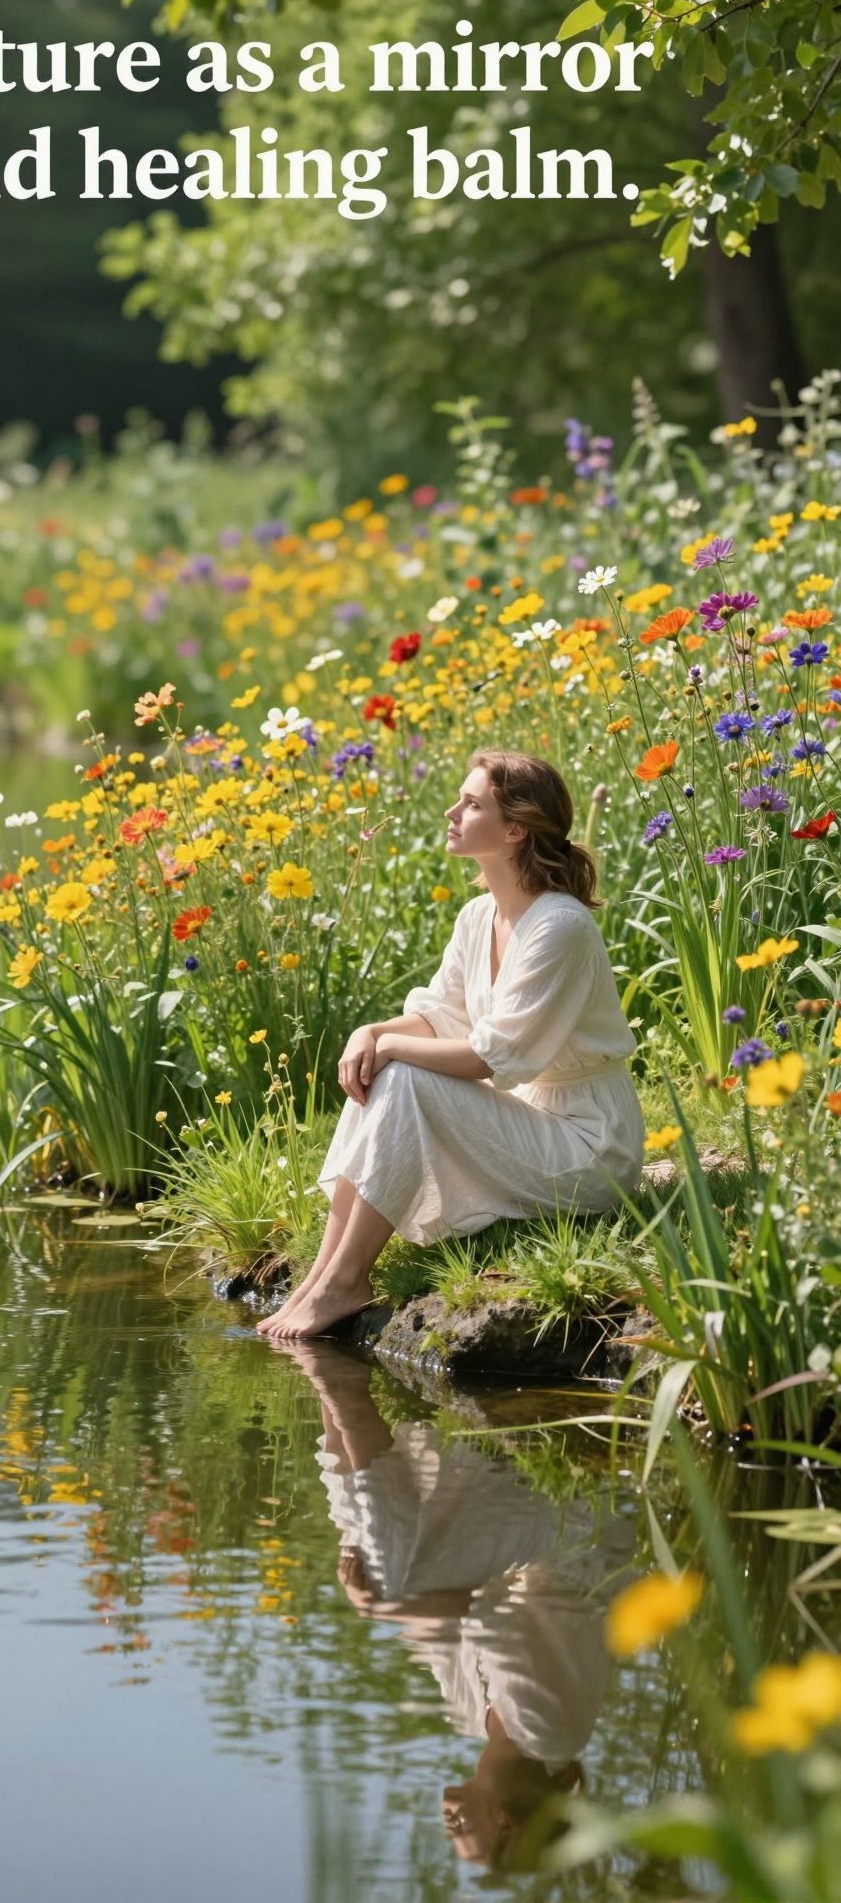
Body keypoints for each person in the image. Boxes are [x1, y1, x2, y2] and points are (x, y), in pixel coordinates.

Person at [260, 748, 645, 1340]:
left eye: (471, 804)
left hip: (590, 1146)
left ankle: (344, 1283)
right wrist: (373, 1033)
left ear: (515, 829)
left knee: (403, 1072)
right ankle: (323, 1277)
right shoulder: (476, 916)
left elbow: (487, 1058)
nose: (451, 811)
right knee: (389, 1064)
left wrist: (390, 1049)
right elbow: (439, 1017)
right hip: (533, 1120)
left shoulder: (560, 925)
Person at [291, 1348, 635, 1871]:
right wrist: (382, 1607)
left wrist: (362, 1566)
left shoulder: (473, 1717)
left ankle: (332, 1379)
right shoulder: (551, 1732)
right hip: (575, 1533)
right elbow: (484, 1614)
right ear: (505, 1821)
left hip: (522, 1552)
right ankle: (334, 1377)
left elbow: (437, 1628)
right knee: (391, 1575)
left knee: (376, 1561)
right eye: (459, 1827)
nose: (446, 1817)